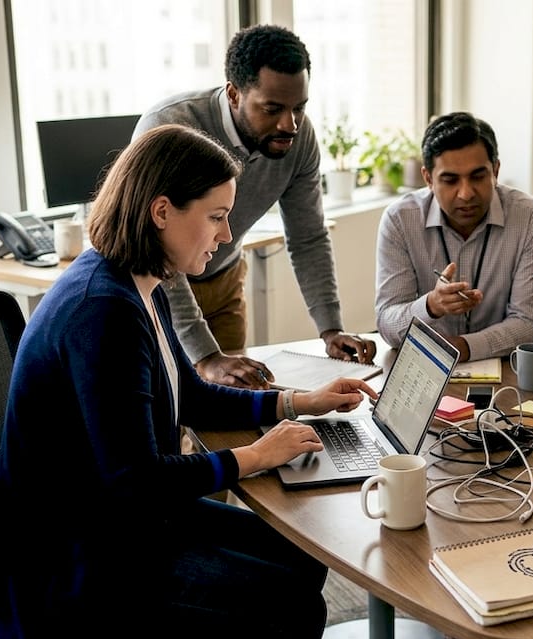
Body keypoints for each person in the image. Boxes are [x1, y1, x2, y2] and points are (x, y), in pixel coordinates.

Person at [0, 124, 378, 639]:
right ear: (162, 212)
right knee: (290, 614)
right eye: (218, 216)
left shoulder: (137, 281)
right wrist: (254, 456)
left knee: (303, 556)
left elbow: (190, 397)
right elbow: (133, 481)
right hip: (81, 562)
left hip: (120, 524)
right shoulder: (104, 311)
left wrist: (297, 402)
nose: (227, 236)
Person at [135, 24, 375, 388]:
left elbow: (308, 237)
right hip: (158, 285)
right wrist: (206, 356)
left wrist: (330, 328)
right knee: (168, 407)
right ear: (233, 94)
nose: (289, 124)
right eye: (272, 108)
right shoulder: (171, 127)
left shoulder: (299, 137)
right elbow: (158, 248)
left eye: (300, 107)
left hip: (225, 278)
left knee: (232, 403)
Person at [375, 112, 533, 360]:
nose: (466, 193)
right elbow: (387, 322)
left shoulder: (530, 217)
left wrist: (459, 348)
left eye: (478, 177)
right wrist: (431, 306)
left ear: (496, 171)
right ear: (428, 178)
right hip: (426, 372)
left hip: (505, 371)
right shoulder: (400, 220)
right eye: (450, 180)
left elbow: (530, 324)